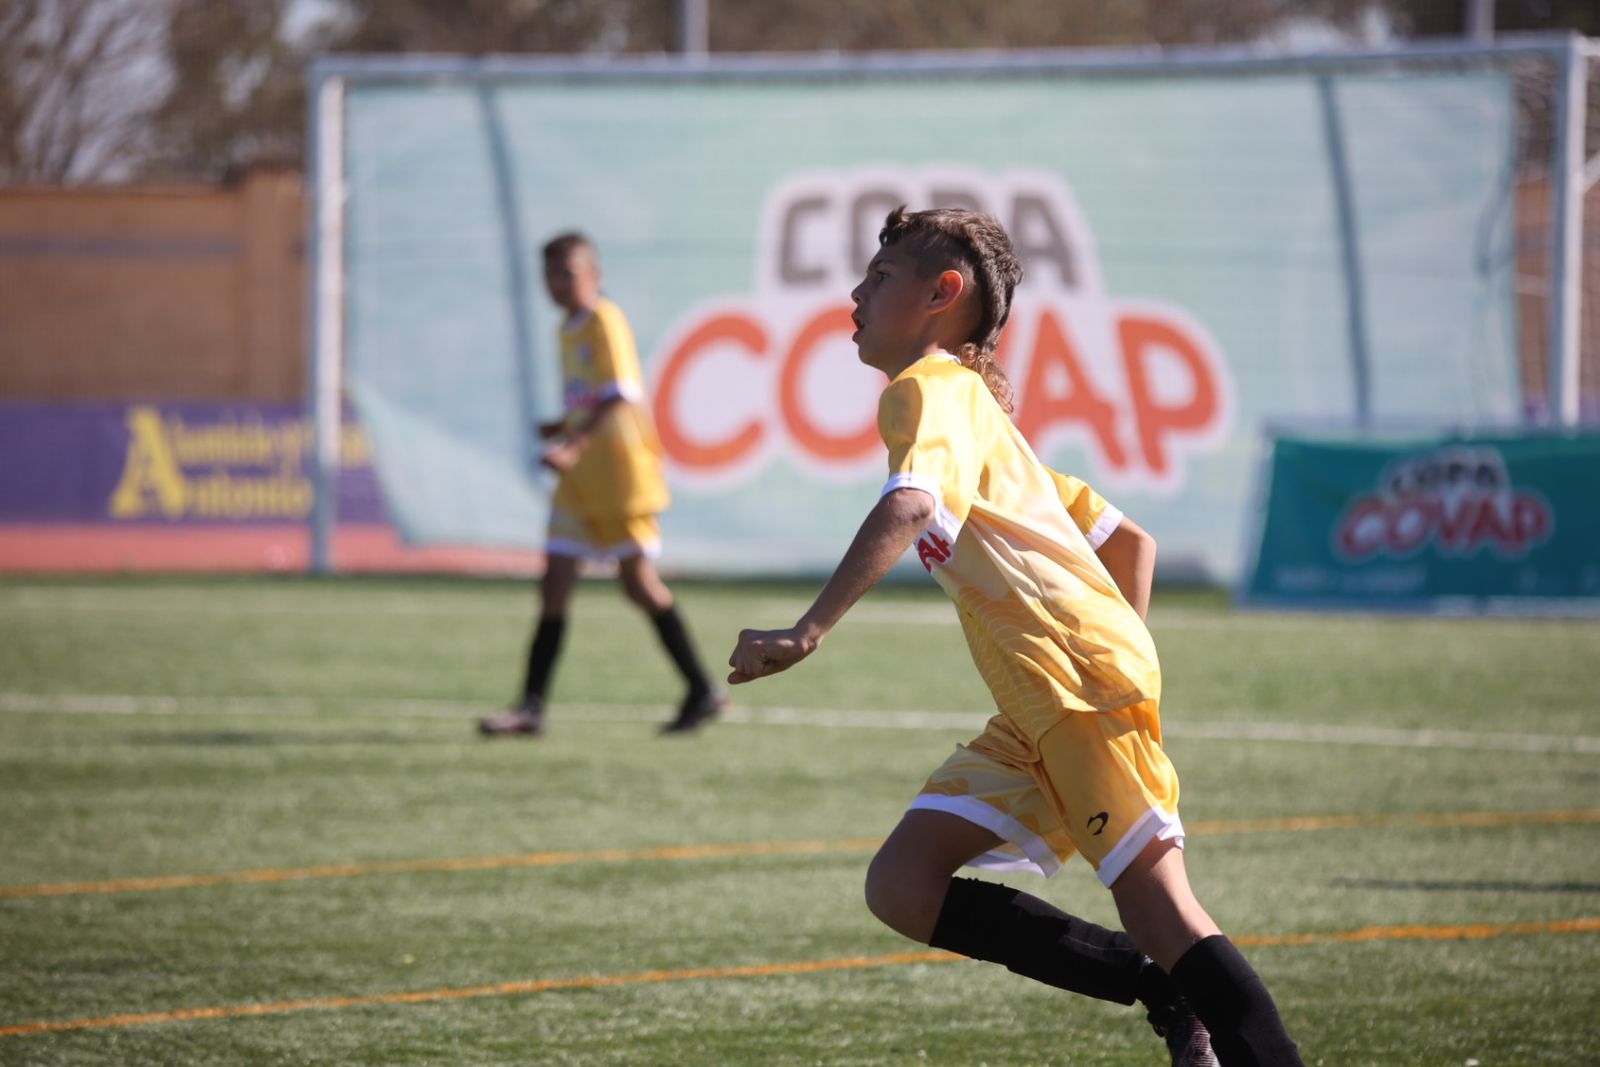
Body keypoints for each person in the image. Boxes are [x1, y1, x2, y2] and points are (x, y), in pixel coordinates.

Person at [727, 207, 1305, 1066]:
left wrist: (808, 631)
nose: (855, 292)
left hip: (1069, 690)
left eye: (878, 277)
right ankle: (1161, 988)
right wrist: (1109, 656)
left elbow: (910, 502)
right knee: (903, 884)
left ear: (941, 294)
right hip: (1048, 700)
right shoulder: (994, 438)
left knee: (1162, 906)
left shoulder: (925, 390)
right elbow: (1129, 543)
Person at [481, 232, 726, 737]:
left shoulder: (603, 320)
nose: (558, 284)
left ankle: (702, 689)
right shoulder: (566, 328)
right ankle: (530, 708)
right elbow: (590, 398)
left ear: (594, 276)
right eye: (549, 274)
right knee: (553, 585)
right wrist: (563, 425)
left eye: (568, 273)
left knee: (639, 586)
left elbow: (619, 394)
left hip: (618, 476)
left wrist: (573, 445)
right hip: (580, 483)